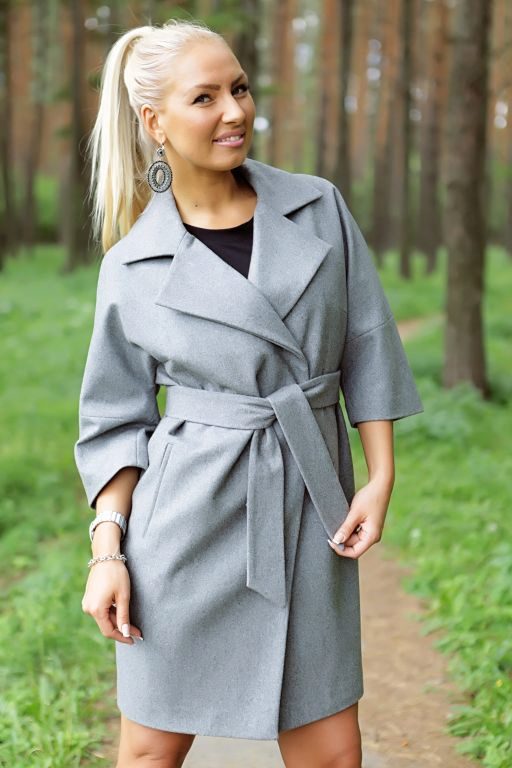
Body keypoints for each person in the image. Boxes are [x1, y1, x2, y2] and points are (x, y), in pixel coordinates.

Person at [74, 17, 424, 768]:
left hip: (308, 502)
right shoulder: (132, 265)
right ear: (155, 122)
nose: (235, 111)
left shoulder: (318, 207)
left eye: (239, 88)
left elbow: (367, 339)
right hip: (184, 522)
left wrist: (380, 477)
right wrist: (107, 553)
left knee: (332, 751)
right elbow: (114, 421)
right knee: (149, 752)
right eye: (205, 98)